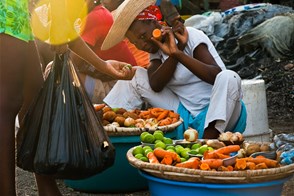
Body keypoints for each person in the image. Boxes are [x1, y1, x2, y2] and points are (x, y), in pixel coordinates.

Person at [0, 0, 134, 195]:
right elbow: (62, 27)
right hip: (7, 14)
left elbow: (62, 28)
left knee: (35, 98)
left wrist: (103, 65)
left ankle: (47, 188)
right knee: (7, 104)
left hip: (18, 16)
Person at [101, 0, 247, 139]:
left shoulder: (190, 35)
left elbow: (214, 75)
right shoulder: (156, 52)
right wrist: (175, 53)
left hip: (223, 114)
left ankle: (207, 144)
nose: (141, 44)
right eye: (135, 42)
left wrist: (178, 53)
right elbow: (155, 85)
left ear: (153, 22)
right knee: (135, 75)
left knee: (229, 77)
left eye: (142, 36)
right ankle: (104, 125)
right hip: (187, 116)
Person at [69, 0, 137, 103]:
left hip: (121, 86)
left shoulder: (94, 17)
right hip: (112, 79)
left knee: (65, 75)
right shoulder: (93, 13)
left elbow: (72, 62)